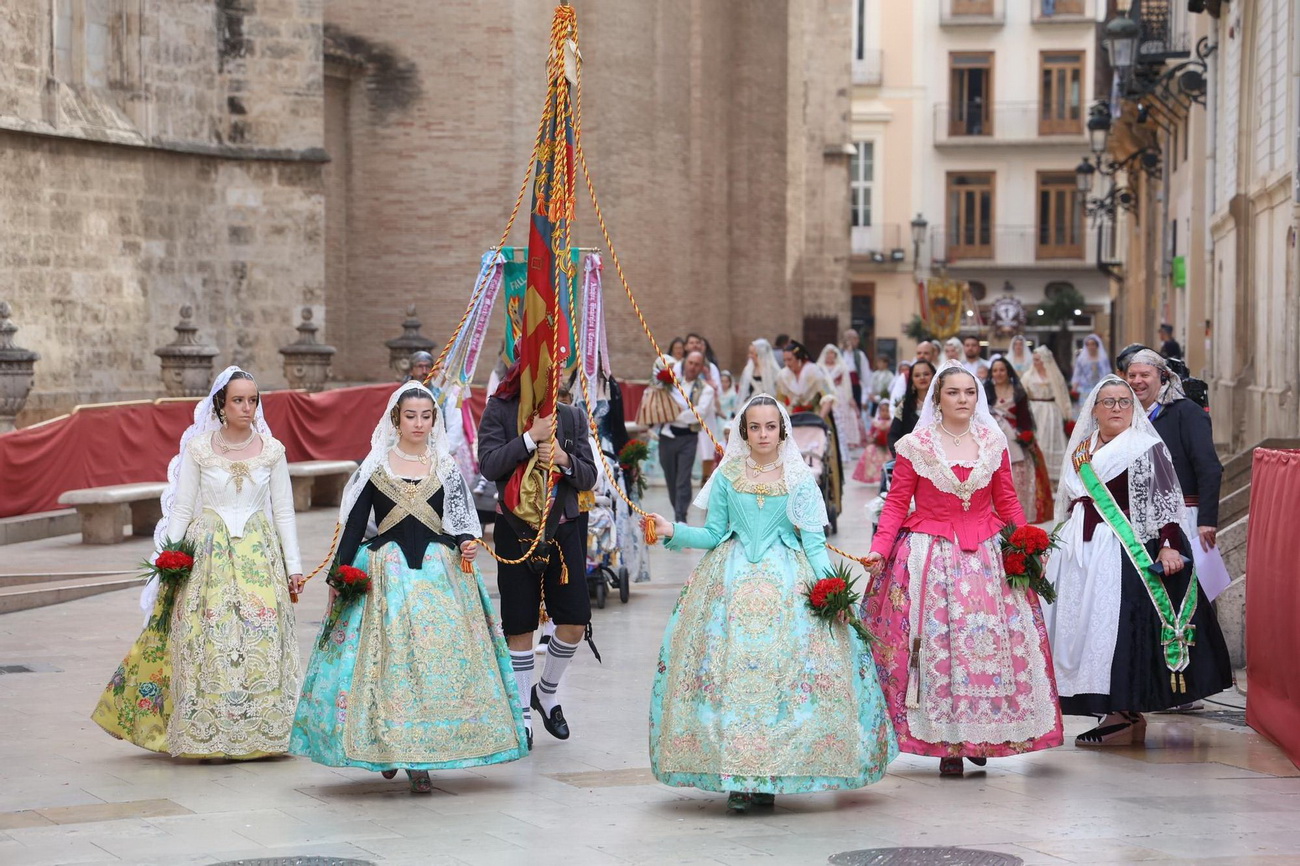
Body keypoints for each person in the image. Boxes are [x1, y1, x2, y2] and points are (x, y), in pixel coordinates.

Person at [646, 396, 897, 813]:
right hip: (728, 584)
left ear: (782, 430)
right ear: (744, 433)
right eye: (755, 427)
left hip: (788, 586)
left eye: (770, 426)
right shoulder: (728, 476)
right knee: (728, 677)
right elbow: (713, 534)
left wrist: (831, 591)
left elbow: (814, 546)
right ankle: (739, 779)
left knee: (785, 679)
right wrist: (673, 530)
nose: (763, 434)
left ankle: (773, 773)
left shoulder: (801, 478)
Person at [291, 384, 528, 790]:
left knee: (434, 665)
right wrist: (338, 574)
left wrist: (467, 543)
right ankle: (387, 746)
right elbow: (354, 527)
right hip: (386, 572)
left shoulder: (445, 466)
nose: (418, 423)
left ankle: (420, 759)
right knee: (389, 664)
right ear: (396, 419)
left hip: (439, 575)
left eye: (426, 416)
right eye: (411, 416)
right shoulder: (376, 466)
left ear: (434, 421)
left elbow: (461, 522)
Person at [863, 362, 1064, 776]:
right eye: (953, 392)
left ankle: (982, 734)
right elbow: (897, 503)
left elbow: (1007, 500)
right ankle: (948, 746)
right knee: (940, 647)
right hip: (930, 556)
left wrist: (1028, 542)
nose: (962, 399)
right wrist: (880, 550)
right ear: (937, 398)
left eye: (969, 392)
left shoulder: (993, 441)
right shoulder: (915, 445)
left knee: (986, 645)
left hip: (987, 556)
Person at [92, 368, 303, 759]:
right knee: (208, 636)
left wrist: (294, 567)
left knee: (261, 633)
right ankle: (206, 731)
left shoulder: (272, 450)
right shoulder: (200, 448)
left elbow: (284, 511)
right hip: (208, 551)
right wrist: (169, 559)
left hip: (258, 552)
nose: (247, 407)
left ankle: (263, 733)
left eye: (253, 400)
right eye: (238, 400)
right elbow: (183, 508)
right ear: (220, 404)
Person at [1044, 377, 1233, 744]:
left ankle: (1125, 715)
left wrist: (1169, 545)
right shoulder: (1082, 448)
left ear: (1134, 409)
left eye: (1124, 402)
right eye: (1108, 402)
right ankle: (1108, 710)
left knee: (1116, 628)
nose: (1116, 408)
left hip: (1123, 548)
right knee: (1084, 629)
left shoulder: (1145, 446)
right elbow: (1070, 501)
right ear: (1094, 409)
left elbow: (1166, 501)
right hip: (1081, 551)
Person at [478, 357, 599, 747]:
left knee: (575, 620)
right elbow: (488, 465)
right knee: (520, 624)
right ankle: (522, 710)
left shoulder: (572, 417)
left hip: (564, 529)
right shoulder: (499, 410)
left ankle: (545, 692)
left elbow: (589, 475)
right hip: (514, 529)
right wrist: (530, 439)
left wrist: (564, 459)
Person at [986, 357, 1053, 523]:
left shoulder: (1017, 392)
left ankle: (1018, 515)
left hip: (1015, 440)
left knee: (1018, 478)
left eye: (1002, 370)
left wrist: (1024, 437)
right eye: (995, 370)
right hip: (991, 441)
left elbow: (1024, 419)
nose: (998, 373)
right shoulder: (986, 391)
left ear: (1008, 371)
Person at [657, 350, 715, 523]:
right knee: (670, 477)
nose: (692, 367)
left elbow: (699, 413)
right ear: (685, 363)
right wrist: (670, 414)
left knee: (683, 478)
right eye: (690, 363)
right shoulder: (671, 383)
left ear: (702, 367)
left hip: (688, 437)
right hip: (666, 437)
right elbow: (660, 404)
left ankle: (681, 517)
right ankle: (677, 512)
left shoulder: (706, 389)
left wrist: (672, 414)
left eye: (697, 364)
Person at [1021, 346, 1072, 480]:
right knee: (1038, 439)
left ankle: (1051, 475)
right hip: (1035, 410)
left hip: (1051, 411)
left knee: (1050, 439)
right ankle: (1037, 473)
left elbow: (1063, 395)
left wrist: (1067, 415)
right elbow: (1022, 395)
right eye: (1034, 359)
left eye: (1038, 359)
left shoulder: (1054, 376)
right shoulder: (1028, 376)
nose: (1036, 362)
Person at [682, 334, 723, 483]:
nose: (694, 345)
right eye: (691, 342)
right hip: (683, 413)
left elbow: (718, 389)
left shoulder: (710, 367)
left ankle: (706, 479)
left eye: (697, 343)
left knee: (707, 447)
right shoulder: (679, 366)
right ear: (686, 346)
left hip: (705, 412)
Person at [817, 343, 863, 452]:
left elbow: (846, 383)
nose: (830, 356)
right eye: (828, 353)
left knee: (841, 417)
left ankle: (843, 441)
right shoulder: (819, 367)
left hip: (839, 393)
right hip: (824, 394)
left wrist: (849, 397)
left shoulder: (841, 368)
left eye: (832, 353)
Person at [887, 360, 935, 455]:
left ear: (934, 376)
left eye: (926, 374)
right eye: (917, 375)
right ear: (912, 380)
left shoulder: (943, 404)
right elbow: (893, 435)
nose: (922, 378)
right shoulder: (904, 406)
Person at [776, 341, 835, 417]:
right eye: (785, 360)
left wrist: (820, 418)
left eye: (789, 360)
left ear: (799, 359)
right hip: (792, 417)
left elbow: (828, 397)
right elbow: (780, 400)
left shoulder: (815, 372)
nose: (787, 364)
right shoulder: (783, 375)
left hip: (815, 416)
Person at [852, 401, 892, 484]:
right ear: (879, 411)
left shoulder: (891, 423)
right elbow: (871, 433)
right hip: (877, 446)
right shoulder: (875, 422)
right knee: (870, 454)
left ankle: (885, 477)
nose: (885, 413)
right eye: (883, 410)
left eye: (887, 411)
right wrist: (872, 438)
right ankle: (875, 477)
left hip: (887, 447)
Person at [1071, 334, 1111, 404]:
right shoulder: (1081, 360)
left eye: (1093, 344)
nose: (1091, 347)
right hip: (1085, 389)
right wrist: (1074, 388)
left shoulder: (1103, 359)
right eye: (1088, 344)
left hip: (1100, 388)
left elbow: (1107, 373)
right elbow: (1077, 374)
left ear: (1097, 345)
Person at [840, 328, 871, 418]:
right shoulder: (839, 354)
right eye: (855, 338)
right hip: (842, 388)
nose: (857, 341)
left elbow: (866, 375)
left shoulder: (859, 355)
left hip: (855, 387)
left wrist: (866, 394)